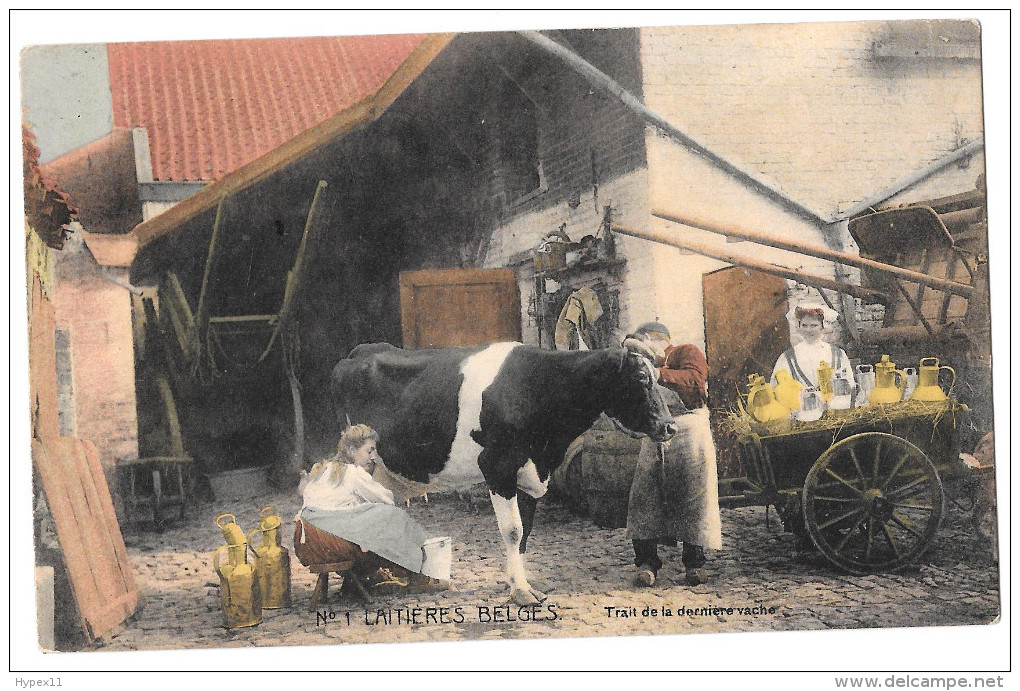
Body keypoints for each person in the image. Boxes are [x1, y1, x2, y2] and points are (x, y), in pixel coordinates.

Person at [621, 321, 723, 587]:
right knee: (644, 496)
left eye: (644, 347)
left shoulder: (686, 352)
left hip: (689, 426)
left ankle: (694, 563)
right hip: (656, 431)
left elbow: (694, 379)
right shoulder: (641, 368)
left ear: (658, 342)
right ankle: (646, 562)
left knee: (694, 494)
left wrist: (658, 373)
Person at [294, 424, 444, 591]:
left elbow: (309, 496)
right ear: (351, 451)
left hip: (308, 543)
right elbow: (386, 498)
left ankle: (365, 577)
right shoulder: (353, 473)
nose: (373, 456)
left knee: (366, 517)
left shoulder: (323, 468)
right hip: (330, 543)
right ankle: (419, 573)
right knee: (391, 516)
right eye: (369, 451)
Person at [772, 304, 856, 395]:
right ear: (799, 326)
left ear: (823, 327)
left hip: (835, 405)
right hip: (800, 407)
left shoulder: (838, 354)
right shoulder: (787, 357)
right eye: (804, 325)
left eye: (813, 325)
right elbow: (776, 388)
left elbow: (850, 384)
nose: (808, 330)